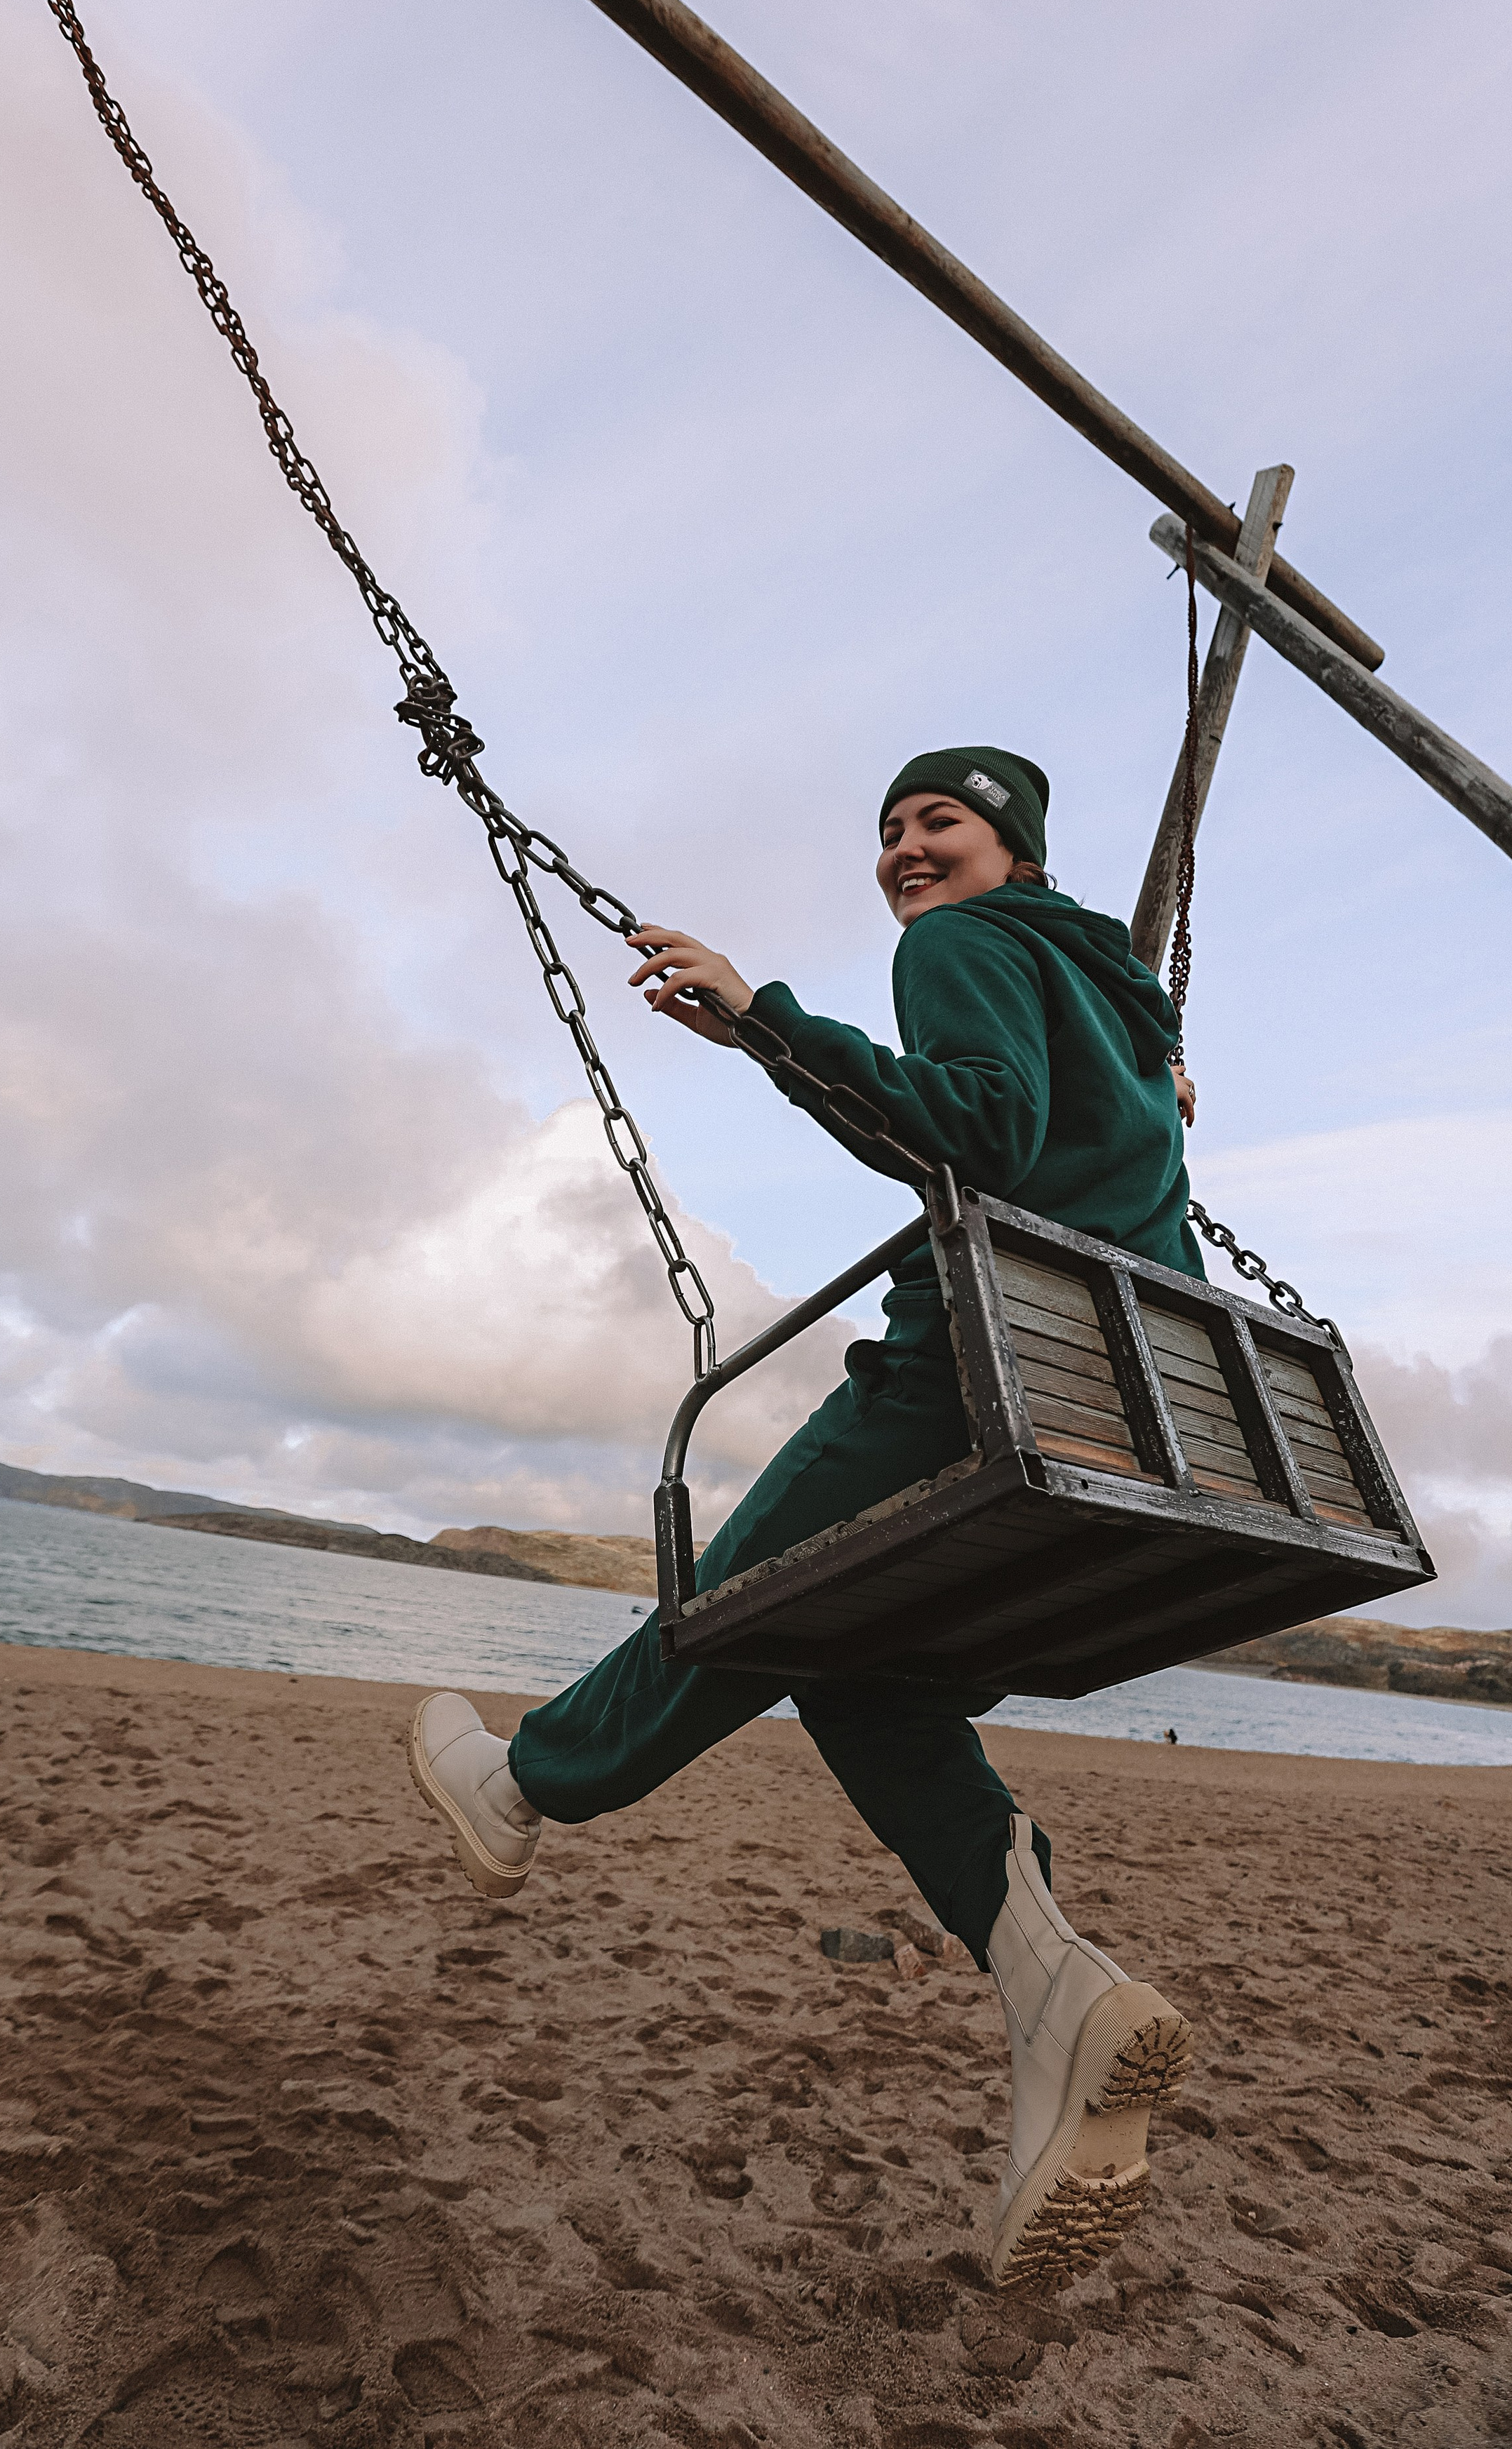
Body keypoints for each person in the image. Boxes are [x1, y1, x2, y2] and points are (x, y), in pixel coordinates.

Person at [410, 745, 1197, 2294]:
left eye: (941, 821)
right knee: (859, 1671)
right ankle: (1054, 1989)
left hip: (974, 1372)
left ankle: (526, 1783)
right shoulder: (1126, 1013)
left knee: (745, 1600)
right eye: (891, 830)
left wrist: (762, 1019)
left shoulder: (963, 943)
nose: (906, 850)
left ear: (1016, 853)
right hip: (1125, 1406)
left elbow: (975, 1126)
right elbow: (1113, 1187)